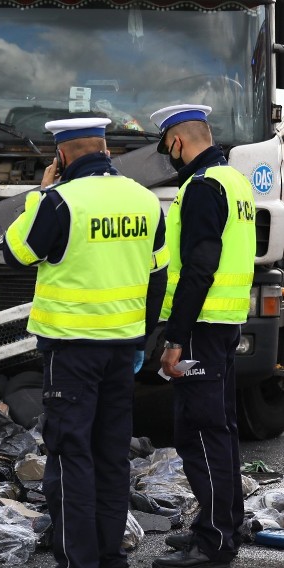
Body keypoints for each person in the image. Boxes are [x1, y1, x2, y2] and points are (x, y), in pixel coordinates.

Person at [0, 117, 168, 568]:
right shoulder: (146, 200)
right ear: (107, 150)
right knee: (112, 457)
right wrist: (141, 339)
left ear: (61, 156)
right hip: (122, 351)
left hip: (72, 352)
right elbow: (158, 278)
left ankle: (78, 561)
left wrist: (36, 196)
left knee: (72, 457)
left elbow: (16, 253)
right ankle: (110, 557)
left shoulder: (58, 202)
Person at [150, 104, 255, 568]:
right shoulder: (235, 181)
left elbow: (199, 267)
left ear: (177, 141)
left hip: (199, 329)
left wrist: (175, 339)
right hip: (225, 323)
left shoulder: (201, 187)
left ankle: (213, 543)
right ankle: (223, 523)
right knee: (223, 429)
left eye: (166, 148)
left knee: (199, 432)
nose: (168, 157)